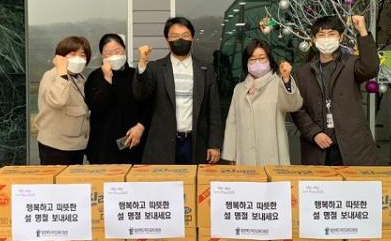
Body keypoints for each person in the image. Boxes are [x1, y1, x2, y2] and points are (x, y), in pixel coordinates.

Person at [292, 15, 380, 166]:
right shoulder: (303, 73)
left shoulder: (351, 64)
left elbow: (370, 68)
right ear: (313, 40)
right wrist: (314, 133)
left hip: (352, 146)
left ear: (340, 37)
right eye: (321, 35)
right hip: (318, 148)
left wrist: (363, 32)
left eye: (331, 34)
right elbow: (297, 109)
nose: (326, 39)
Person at [133, 17, 223, 165]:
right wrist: (142, 64)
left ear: (192, 38)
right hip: (163, 143)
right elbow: (141, 94)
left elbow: (214, 111)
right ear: (167, 41)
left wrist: (214, 144)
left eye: (185, 35)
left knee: (193, 180)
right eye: (175, 36)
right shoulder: (156, 68)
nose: (180, 39)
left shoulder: (206, 70)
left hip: (195, 143)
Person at [222, 39, 303, 165]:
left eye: (262, 58)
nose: (257, 63)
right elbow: (232, 123)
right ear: (246, 63)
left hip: (272, 156)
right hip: (244, 155)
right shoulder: (240, 89)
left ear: (270, 60)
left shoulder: (278, 84)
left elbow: (293, 105)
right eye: (252, 59)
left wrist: (286, 79)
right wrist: (230, 154)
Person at [84, 33, 150, 164]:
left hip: (133, 141)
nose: (113, 55)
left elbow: (148, 103)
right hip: (103, 144)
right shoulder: (95, 77)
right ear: (102, 55)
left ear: (124, 50)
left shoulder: (135, 75)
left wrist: (141, 126)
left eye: (117, 51)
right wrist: (107, 79)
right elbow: (96, 106)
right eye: (108, 53)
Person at [34, 36, 91, 165]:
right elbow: (58, 101)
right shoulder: (51, 76)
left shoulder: (80, 78)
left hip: (77, 146)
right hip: (56, 146)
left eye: (82, 55)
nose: (78, 59)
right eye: (73, 54)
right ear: (61, 57)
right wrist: (61, 71)